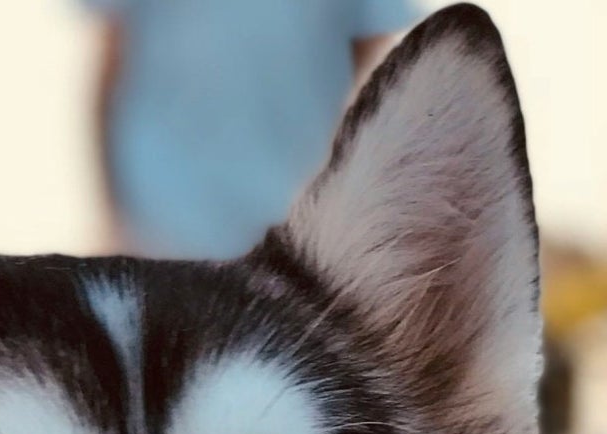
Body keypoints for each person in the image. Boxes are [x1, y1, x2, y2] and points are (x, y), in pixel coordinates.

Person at [90, 0, 421, 259]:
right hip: (163, 191)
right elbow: (114, 49)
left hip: (291, 188)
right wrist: (111, 205)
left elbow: (372, 38)